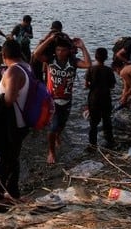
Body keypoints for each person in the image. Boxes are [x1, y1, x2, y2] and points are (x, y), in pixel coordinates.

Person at [0, 39, 32, 203]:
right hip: (23, 123)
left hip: (10, 124)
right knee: (12, 158)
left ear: (3, 55)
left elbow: (9, 99)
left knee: (0, 160)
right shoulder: (27, 68)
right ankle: (13, 194)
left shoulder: (12, 71)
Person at [33, 34, 91, 164]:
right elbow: (36, 54)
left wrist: (82, 47)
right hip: (52, 100)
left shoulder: (73, 62)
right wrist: (49, 39)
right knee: (53, 128)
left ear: (69, 50)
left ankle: (58, 136)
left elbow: (88, 64)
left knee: (62, 124)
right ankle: (51, 152)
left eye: (63, 50)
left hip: (67, 100)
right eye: (58, 50)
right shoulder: (50, 60)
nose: (60, 52)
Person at [85, 48, 116, 149]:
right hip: (106, 98)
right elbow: (112, 86)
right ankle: (110, 141)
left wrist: (92, 86)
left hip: (93, 98)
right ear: (106, 58)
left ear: (95, 57)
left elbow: (86, 85)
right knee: (107, 120)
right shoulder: (109, 70)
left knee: (93, 122)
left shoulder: (90, 69)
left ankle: (92, 143)